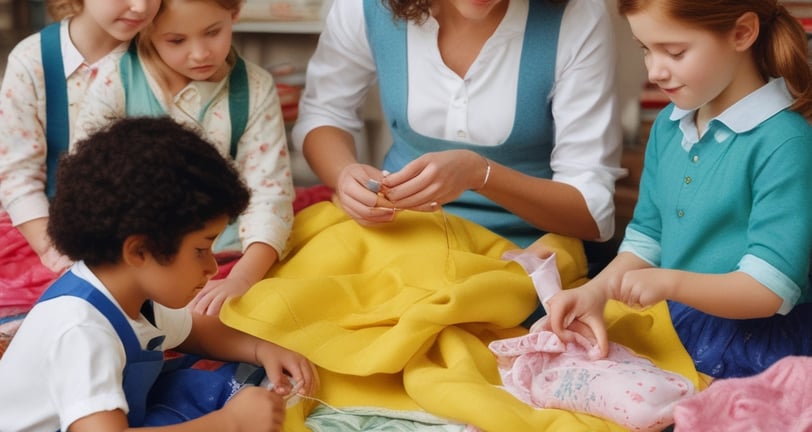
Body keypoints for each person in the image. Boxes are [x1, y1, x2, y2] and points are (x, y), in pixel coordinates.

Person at [545, 0, 812, 381]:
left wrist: (669, 282)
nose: (654, 71)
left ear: (742, 33)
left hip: (755, 344)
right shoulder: (669, 127)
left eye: (675, 52)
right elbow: (647, 238)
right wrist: (596, 291)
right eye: (645, 49)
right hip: (677, 322)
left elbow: (769, 290)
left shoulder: (785, 143)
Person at [0, 116, 318, 431]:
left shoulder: (130, 296)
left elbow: (194, 330)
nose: (212, 267)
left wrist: (263, 349)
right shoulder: (82, 332)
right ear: (139, 251)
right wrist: (229, 423)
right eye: (200, 250)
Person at [291, 0, 626, 250]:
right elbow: (324, 114)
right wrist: (344, 174)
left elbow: (592, 214)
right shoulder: (366, 7)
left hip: (527, 256)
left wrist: (480, 173)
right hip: (399, 241)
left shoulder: (576, 15)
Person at [73, 0, 294, 316]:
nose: (200, 53)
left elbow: (269, 194)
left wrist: (243, 277)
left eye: (213, 32)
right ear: (145, 30)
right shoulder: (114, 78)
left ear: (234, 13)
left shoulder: (255, 88)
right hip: (134, 256)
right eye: (176, 40)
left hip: (228, 253)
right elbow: (89, 183)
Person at [0, 0, 161, 311]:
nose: (140, 7)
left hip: (144, 239)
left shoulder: (163, 53)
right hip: (49, 234)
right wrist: (60, 256)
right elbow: (17, 177)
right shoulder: (34, 59)